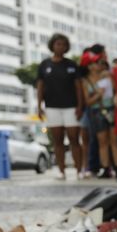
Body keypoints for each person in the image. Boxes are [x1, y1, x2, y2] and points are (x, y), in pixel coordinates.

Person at [36, 33, 83, 180]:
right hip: (52, 107)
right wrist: (39, 105)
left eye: (63, 44)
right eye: (58, 44)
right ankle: (61, 170)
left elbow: (78, 87)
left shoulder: (71, 65)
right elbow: (40, 86)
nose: (60, 47)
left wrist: (80, 105)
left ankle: (79, 170)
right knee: (57, 140)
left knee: (74, 138)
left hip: (71, 106)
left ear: (67, 46)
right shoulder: (45, 65)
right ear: (52, 45)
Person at [81, 50, 117, 179]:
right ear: (89, 66)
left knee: (115, 140)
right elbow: (87, 101)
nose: (99, 65)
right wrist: (99, 94)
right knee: (102, 141)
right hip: (96, 111)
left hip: (110, 109)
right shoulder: (86, 81)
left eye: (100, 62)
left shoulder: (108, 76)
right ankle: (105, 168)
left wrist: (116, 97)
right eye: (96, 63)